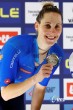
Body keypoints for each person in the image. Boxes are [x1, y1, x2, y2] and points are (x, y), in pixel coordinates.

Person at [0, 2, 64, 110]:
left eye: (57, 26)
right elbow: (5, 94)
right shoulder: (15, 46)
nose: (53, 31)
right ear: (37, 26)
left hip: (17, 90)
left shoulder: (56, 54)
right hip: (6, 90)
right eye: (47, 25)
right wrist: (35, 78)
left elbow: (40, 88)